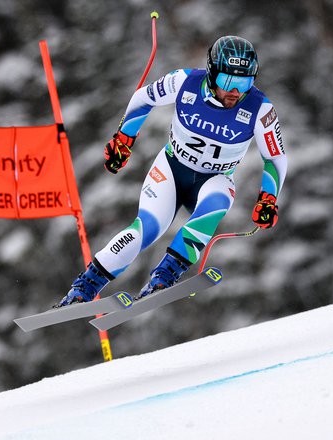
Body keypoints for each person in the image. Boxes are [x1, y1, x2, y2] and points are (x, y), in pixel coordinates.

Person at [56, 35, 287, 307]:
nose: (236, 92)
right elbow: (144, 98)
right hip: (171, 169)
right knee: (147, 228)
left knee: (216, 204)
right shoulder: (184, 82)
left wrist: (268, 198)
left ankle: (163, 278)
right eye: (229, 82)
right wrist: (124, 139)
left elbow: (275, 157)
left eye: (245, 82)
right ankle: (84, 287)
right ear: (212, 74)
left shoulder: (260, 108)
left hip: (214, 179)